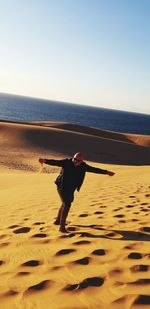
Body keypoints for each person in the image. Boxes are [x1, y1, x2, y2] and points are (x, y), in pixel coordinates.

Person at [39, 152, 115, 233]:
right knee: (67, 204)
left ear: (81, 161)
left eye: (78, 160)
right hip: (62, 186)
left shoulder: (83, 166)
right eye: (74, 159)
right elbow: (56, 162)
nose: (75, 161)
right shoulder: (67, 162)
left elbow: (94, 169)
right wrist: (45, 160)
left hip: (71, 188)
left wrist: (106, 172)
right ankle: (62, 227)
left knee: (64, 203)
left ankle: (58, 220)